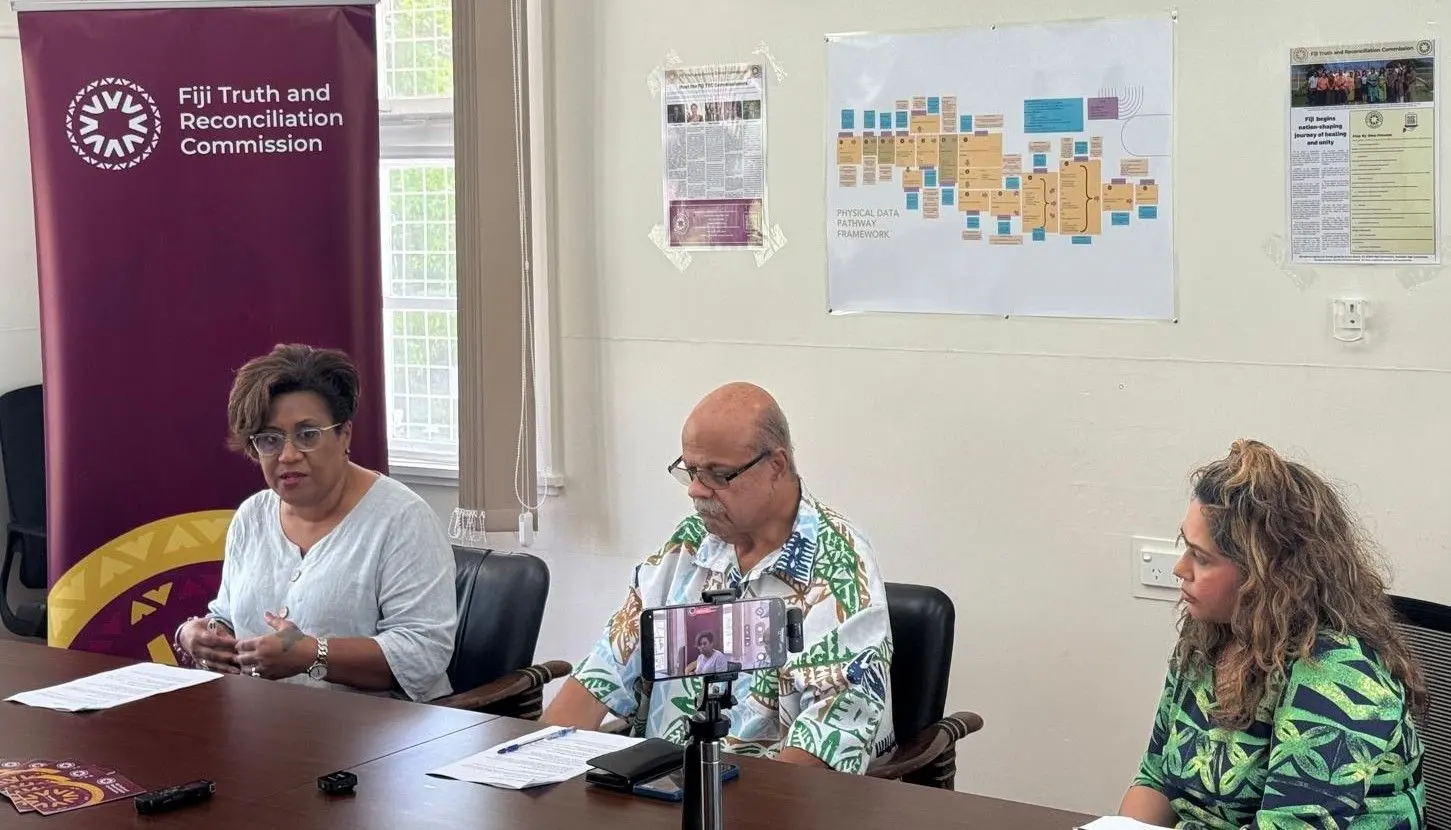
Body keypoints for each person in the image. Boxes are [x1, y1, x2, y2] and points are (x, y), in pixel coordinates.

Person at [543, 382, 895, 774]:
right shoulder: (689, 545)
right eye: (690, 470)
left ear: (776, 466)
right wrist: (536, 769)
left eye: (718, 475)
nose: (695, 489)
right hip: (658, 793)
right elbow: (602, 672)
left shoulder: (840, 567)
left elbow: (824, 743)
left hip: (770, 803)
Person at [1119, 440, 1425, 828]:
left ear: (1267, 576)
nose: (1180, 569)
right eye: (1185, 547)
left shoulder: (1338, 677)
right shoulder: (1208, 636)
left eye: (1201, 557)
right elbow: (1156, 778)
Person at [174, 344, 458, 702]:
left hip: (381, 738)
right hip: (261, 730)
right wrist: (196, 634)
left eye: (308, 435)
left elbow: (422, 653)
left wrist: (309, 654)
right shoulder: (252, 516)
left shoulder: (403, 520)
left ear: (345, 436)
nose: (288, 455)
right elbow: (229, 615)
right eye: (270, 440)